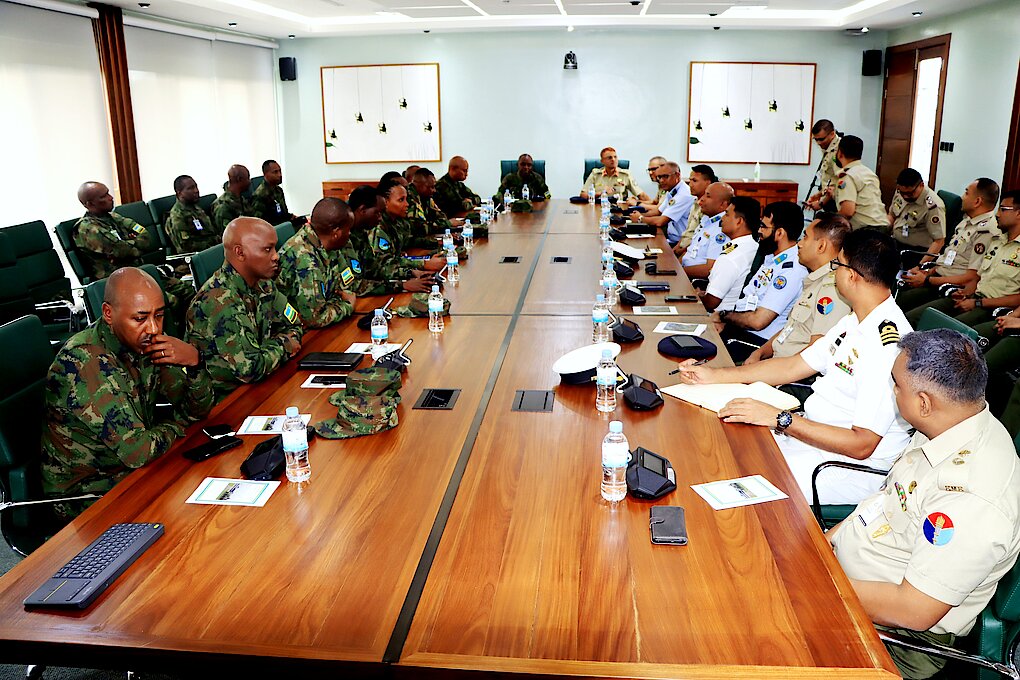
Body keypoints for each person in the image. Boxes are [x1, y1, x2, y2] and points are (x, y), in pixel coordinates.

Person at [828, 329, 1020, 680]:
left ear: (924, 403)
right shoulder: (950, 423)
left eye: (896, 385)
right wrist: (826, 543)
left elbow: (914, 610)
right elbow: (889, 499)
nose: (892, 391)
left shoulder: (970, 499)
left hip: (896, 639)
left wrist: (817, 585)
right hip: (847, 582)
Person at [677, 229, 912, 505]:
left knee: (731, 477)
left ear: (851, 276)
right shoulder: (855, 320)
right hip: (811, 438)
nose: (833, 272)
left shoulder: (888, 346)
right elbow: (792, 366)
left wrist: (781, 419)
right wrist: (715, 376)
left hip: (846, 466)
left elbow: (861, 445)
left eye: (837, 265)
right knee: (724, 445)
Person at [41, 267, 214, 518]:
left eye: (159, 315)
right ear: (108, 314)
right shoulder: (85, 362)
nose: (153, 328)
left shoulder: (145, 340)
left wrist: (195, 362)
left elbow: (197, 410)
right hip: (88, 495)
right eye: (140, 318)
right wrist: (176, 426)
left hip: (131, 471)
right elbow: (139, 452)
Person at [186, 217, 304, 400]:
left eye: (274, 248)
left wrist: (271, 350)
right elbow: (250, 369)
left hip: (261, 384)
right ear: (240, 253)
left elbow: (294, 324)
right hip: (226, 401)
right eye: (267, 249)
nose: (276, 256)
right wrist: (285, 345)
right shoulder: (219, 301)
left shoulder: (264, 284)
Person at [746, 212, 852, 366]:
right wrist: (760, 353)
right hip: (775, 362)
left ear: (821, 246)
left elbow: (816, 353)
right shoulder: (814, 281)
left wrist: (767, 369)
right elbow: (791, 329)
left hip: (788, 374)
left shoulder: (833, 290)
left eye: (805, 237)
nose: (799, 244)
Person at [905, 190, 1020, 328]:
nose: (997, 214)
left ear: (1018, 213)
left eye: (1003, 209)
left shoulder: (989, 233)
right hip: (972, 297)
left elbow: (1017, 298)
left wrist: (977, 303)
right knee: (916, 316)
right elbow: (979, 276)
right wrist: (965, 293)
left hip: (992, 309)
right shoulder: (998, 241)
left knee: (941, 329)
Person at [714, 202, 809, 361]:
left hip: (758, 343)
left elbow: (758, 322)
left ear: (779, 233)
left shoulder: (791, 270)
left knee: (705, 352)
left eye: (763, 227)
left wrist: (723, 316)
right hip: (742, 330)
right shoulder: (772, 258)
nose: (758, 231)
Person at [897, 178, 1000, 312]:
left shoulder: (986, 231)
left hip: (952, 287)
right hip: (937, 276)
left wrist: (927, 279)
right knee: (894, 293)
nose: (962, 197)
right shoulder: (967, 221)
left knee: (903, 307)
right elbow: (949, 258)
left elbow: (971, 277)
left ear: (977, 201)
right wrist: (926, 271)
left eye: (966, 193)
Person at [276, 197, 357, 329]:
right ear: (336, 233)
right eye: (348, 229)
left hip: (320, 325)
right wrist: (347, 306)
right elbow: (315, 318)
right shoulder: (305, 259)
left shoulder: (331, 247)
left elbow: (346, 288)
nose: (350, 234)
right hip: (296, 330)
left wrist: (338, 302)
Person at [344, 185, 433, 295]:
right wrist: (402, 285)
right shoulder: (343, 238)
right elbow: (353, 286)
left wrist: (410, 273)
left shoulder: (360, 232)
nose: (380, 218)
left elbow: (375, 267)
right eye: (377, 213)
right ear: (362, 210)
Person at [73, 181, 160, 279]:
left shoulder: (113, 217)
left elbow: (144, 233)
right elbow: (124, 251)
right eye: (104, 196)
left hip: (137, 272)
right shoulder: (89, 229)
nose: (111, 197)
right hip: (117, 280)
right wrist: (136, 243)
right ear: (90, 204)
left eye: (108, 193)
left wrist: (129, 244)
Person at [368, 180, 444, 284]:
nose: (407, 204)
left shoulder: (398, 221)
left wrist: (438, 244)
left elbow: (409, 241)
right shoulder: (378, 228)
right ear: (385, 202)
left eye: (406, 199)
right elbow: (385, 265)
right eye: (401, 200)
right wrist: (423, 264)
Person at [700, 196, 761, 313]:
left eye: (727, 214)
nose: (722, 218)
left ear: (739, 221)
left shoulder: (731, 257)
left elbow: (711, 302)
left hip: (717, 316)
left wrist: (696, 295)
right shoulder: (754, 247)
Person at [887, 168, 946, 263]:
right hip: (895, 243)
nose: (905, 197)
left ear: (921, 185)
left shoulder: (933, 206)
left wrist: (920, 266)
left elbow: (939, 241)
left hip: (916, 252)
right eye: (902, 193)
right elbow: (892, 215)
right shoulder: (901, 191)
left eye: (910, 193)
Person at [628, 162, 693, 247]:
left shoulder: (683, 194)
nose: (661, 180)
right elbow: (657, 211)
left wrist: (640, 218)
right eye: (659, 177)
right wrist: (634, 215)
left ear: (677, 175)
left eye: (665, 176)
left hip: (680, 243)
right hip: (670, 237)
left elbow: (661, 221)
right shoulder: (672, 191)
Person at [681, 181, 734, 282]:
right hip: (684, 273)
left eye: (708, 196)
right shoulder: (707, 219)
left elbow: (709, 269)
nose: (702, 199)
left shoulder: (722, 229)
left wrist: (679, 271)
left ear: (722, 204)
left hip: (695, 281)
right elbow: (690, 252)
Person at [833, 135, 886, 230]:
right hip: (881, 227)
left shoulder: (847, 176)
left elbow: (848, 211)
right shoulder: (869, 173)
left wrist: (829, 221)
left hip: (864, 230)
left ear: (840, 153)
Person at [406, 167, 463, 248]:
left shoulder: (426, 197)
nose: (434, 190)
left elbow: (442, 216)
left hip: (426, 239)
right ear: (418, 185)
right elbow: (421, 229)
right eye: (431, 187)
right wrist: (447, 223)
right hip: (411, 246)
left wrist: (442, 224)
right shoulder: (409, 199)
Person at [165, 174, 218, 253]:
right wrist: (214, 242)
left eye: (196, 186)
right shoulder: (177, 216)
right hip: (201, 255)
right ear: (179, 193)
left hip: (213, 249)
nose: (196, 190)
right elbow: (186, 247)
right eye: (190, 188)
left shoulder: (196, 208)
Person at [579, 147, 648, 203]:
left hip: (618, 208)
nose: (613, 159)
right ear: (602, 161)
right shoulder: (595, 174)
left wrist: (653, 205)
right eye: (609, 158)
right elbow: (583, 195)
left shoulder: (625, 175)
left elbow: (641, 195)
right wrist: (601, 193)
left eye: (615, 157)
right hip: (599, 206)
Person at [674, 164, 717, 255]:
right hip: (681, 249)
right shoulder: (695, 202)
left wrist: (680, 253)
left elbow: (699, 239)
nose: (690, 184)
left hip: (691, 253)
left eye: (694, 181)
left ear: (708, 183)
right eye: (690, 180)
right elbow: (687, 233)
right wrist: (674, 250)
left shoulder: (708, 208)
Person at [252, 159, 305, 227]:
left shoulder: (278, 190)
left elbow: (282, 213)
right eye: (275, 172)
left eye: (280, 171)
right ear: (266, 174)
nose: (279, 175)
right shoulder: (260, 195)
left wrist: (291, 217)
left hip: (283, 225)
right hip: (272, 229)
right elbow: (258, 222)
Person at [805, 120, 842, 211]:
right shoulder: (827, 146)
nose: (818, 143)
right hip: (827, 196)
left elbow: (838, 183)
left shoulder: (840, 150)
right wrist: (819, 194)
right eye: (815, 139)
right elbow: (830, 177)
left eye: (821, 139)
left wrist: (821, 203)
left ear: (832, 134)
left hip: (836, 200)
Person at [211, 164, 253, 234]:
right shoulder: (223, 206)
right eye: (248, 178)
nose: (250, 181)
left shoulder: (240, 198)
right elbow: (229, 235)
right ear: (239, 179)